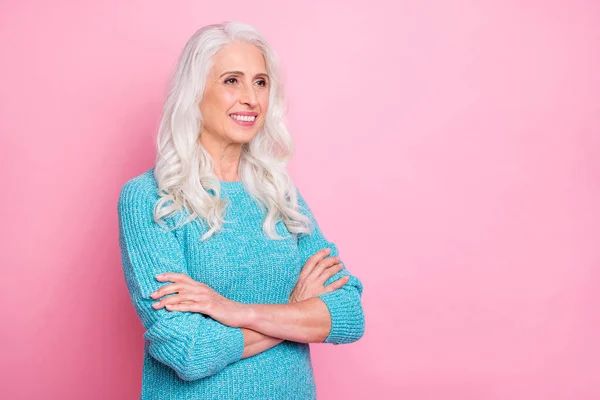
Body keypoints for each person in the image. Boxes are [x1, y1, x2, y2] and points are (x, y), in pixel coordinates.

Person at [117, 21, 365, 400]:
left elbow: (348, 314)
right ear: (195, 92)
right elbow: (188, 350)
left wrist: (234, 311)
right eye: (232, 80)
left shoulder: (279, 195)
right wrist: (295, 312)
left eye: (261, 82)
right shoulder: (150, 198)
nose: (251, 98)